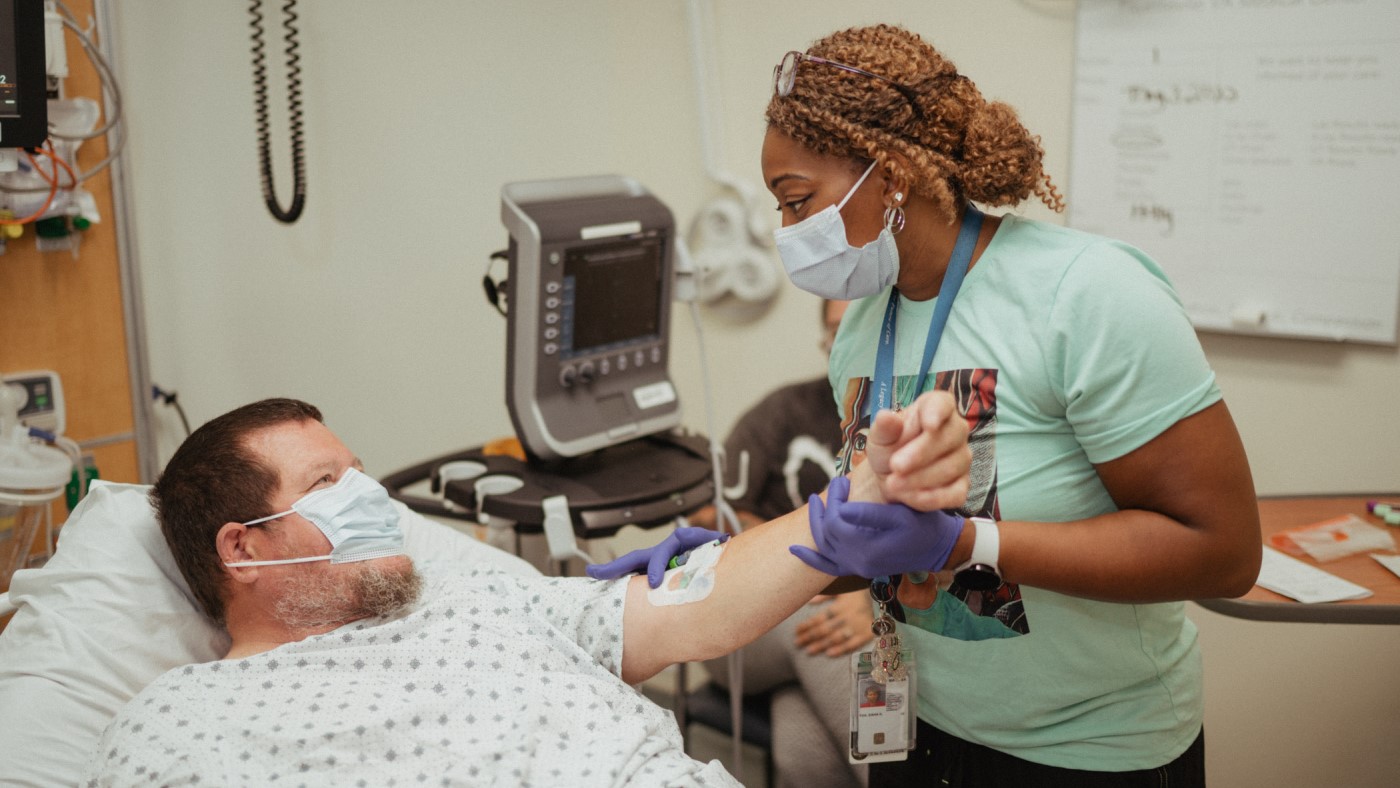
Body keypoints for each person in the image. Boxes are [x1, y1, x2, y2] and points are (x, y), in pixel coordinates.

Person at [612, 23, 1261, 787]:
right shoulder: (862, 329)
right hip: (917, 732)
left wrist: (969, 545)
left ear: (890, 175)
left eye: (797, 202)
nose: (786, 232)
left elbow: (1222, 551)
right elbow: (881, 541)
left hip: (1088, 751)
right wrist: (730, 560)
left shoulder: (1085, 295)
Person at [82, 395, 971, 786]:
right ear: (242, 549)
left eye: (362, 474)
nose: (373, 498)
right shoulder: (176, 725)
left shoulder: (478, 599)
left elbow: (700, 608)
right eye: (326, 488)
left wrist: (844, 510)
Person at [690, 298, 873, 788]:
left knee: (805, 750)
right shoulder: (783, 413)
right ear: (823, 342)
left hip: (838, 630)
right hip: (746, 623)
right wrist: (806, 568)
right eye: (837, 327)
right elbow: (708, 519)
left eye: (863, 321)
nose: (848, 338)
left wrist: (869, 601)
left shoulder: (904, 420)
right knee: (820, 618)